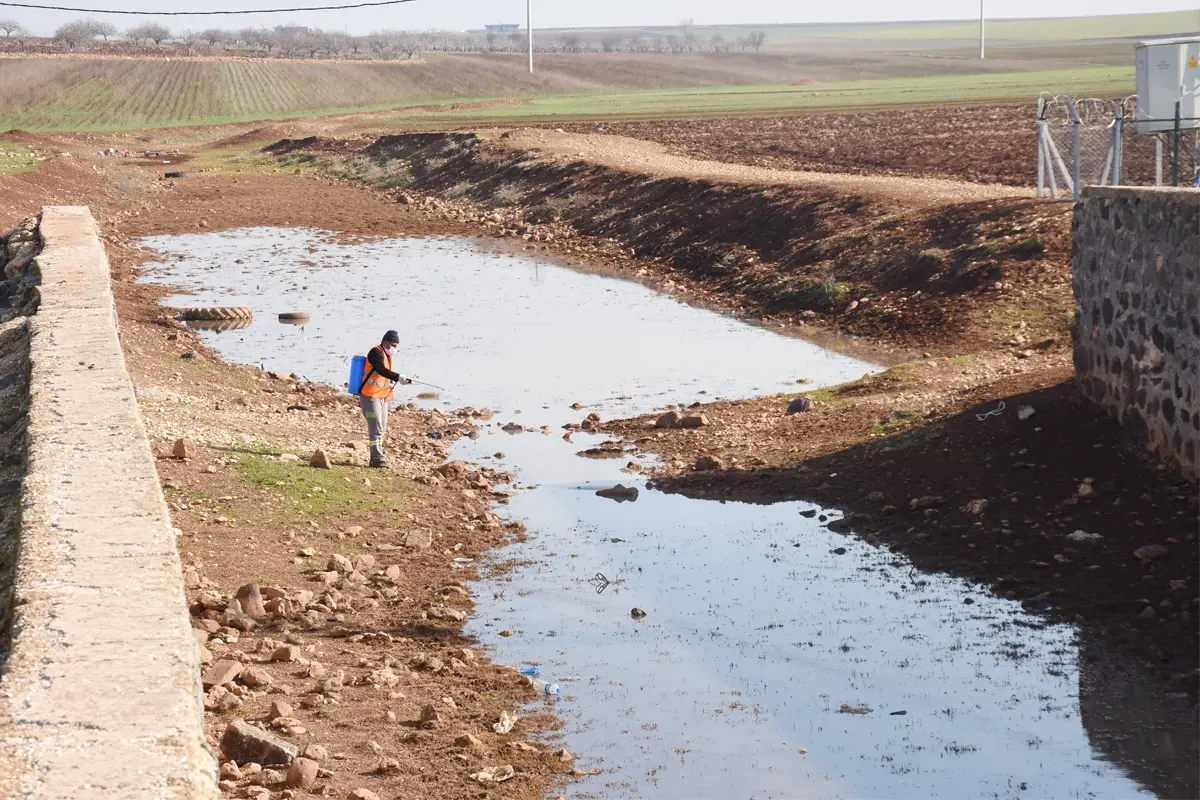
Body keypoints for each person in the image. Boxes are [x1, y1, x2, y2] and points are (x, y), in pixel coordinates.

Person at [359, 330, 411, 468]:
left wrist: (400, 379)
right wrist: (398, 377)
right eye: (394, 345)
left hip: (382, 397)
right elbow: (381, 370)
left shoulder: (387, 355)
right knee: (375, 428)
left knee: (381, 428)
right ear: (386, 343)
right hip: (370, 398)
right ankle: (377, 459)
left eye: (397, 346)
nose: (395, 349)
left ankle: (376, 456)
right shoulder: (375, 352)